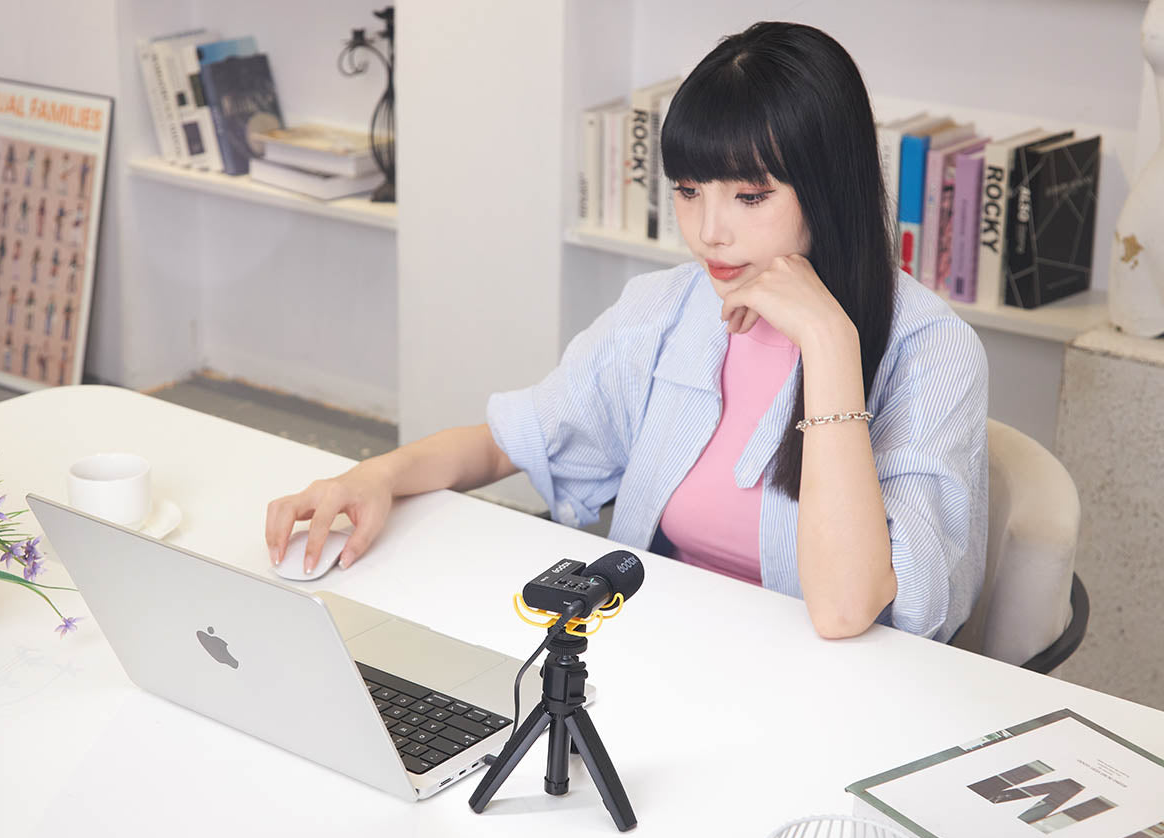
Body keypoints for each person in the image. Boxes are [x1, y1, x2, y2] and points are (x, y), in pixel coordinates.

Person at [264, 22, 988, 642]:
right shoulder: (668, 308)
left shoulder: (932, 351)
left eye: (750, 195)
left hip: (830, 700)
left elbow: (845, 610)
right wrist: (371, 477)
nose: (709, 231)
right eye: (688, 190)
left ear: (829, 187)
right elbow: (509, 439)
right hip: (659, 660)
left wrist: (829, 341)